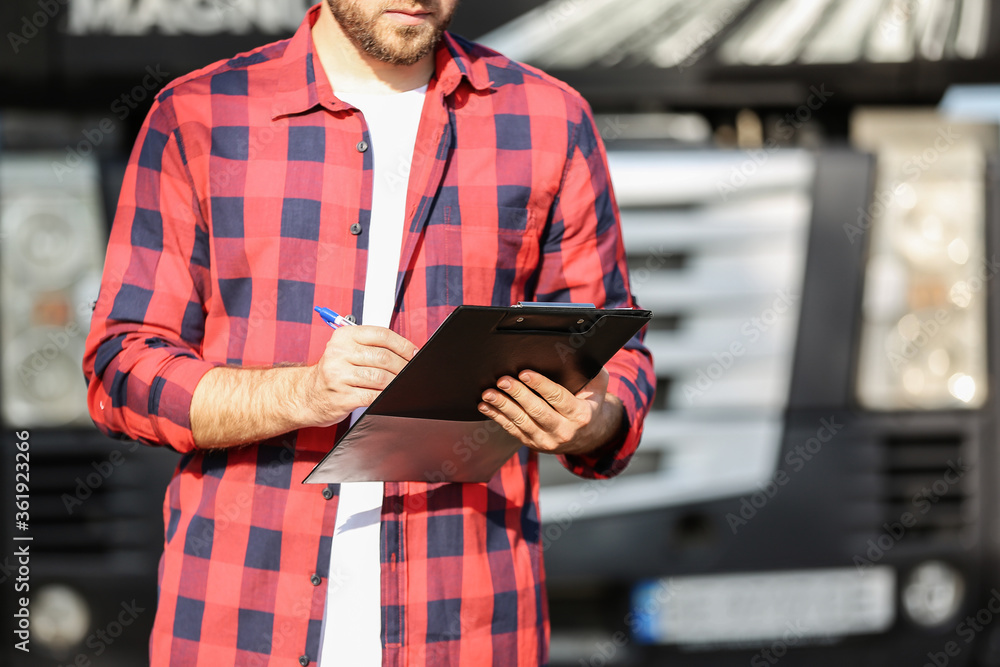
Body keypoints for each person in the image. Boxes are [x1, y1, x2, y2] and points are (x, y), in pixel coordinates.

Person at [82, 1, 654, 664]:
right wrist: (300, 393)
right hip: (239, 620)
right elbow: (120, 368)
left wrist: (593, 420)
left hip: (470, 626)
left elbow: (617, 351)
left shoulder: (548, 120)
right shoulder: (202, 114)